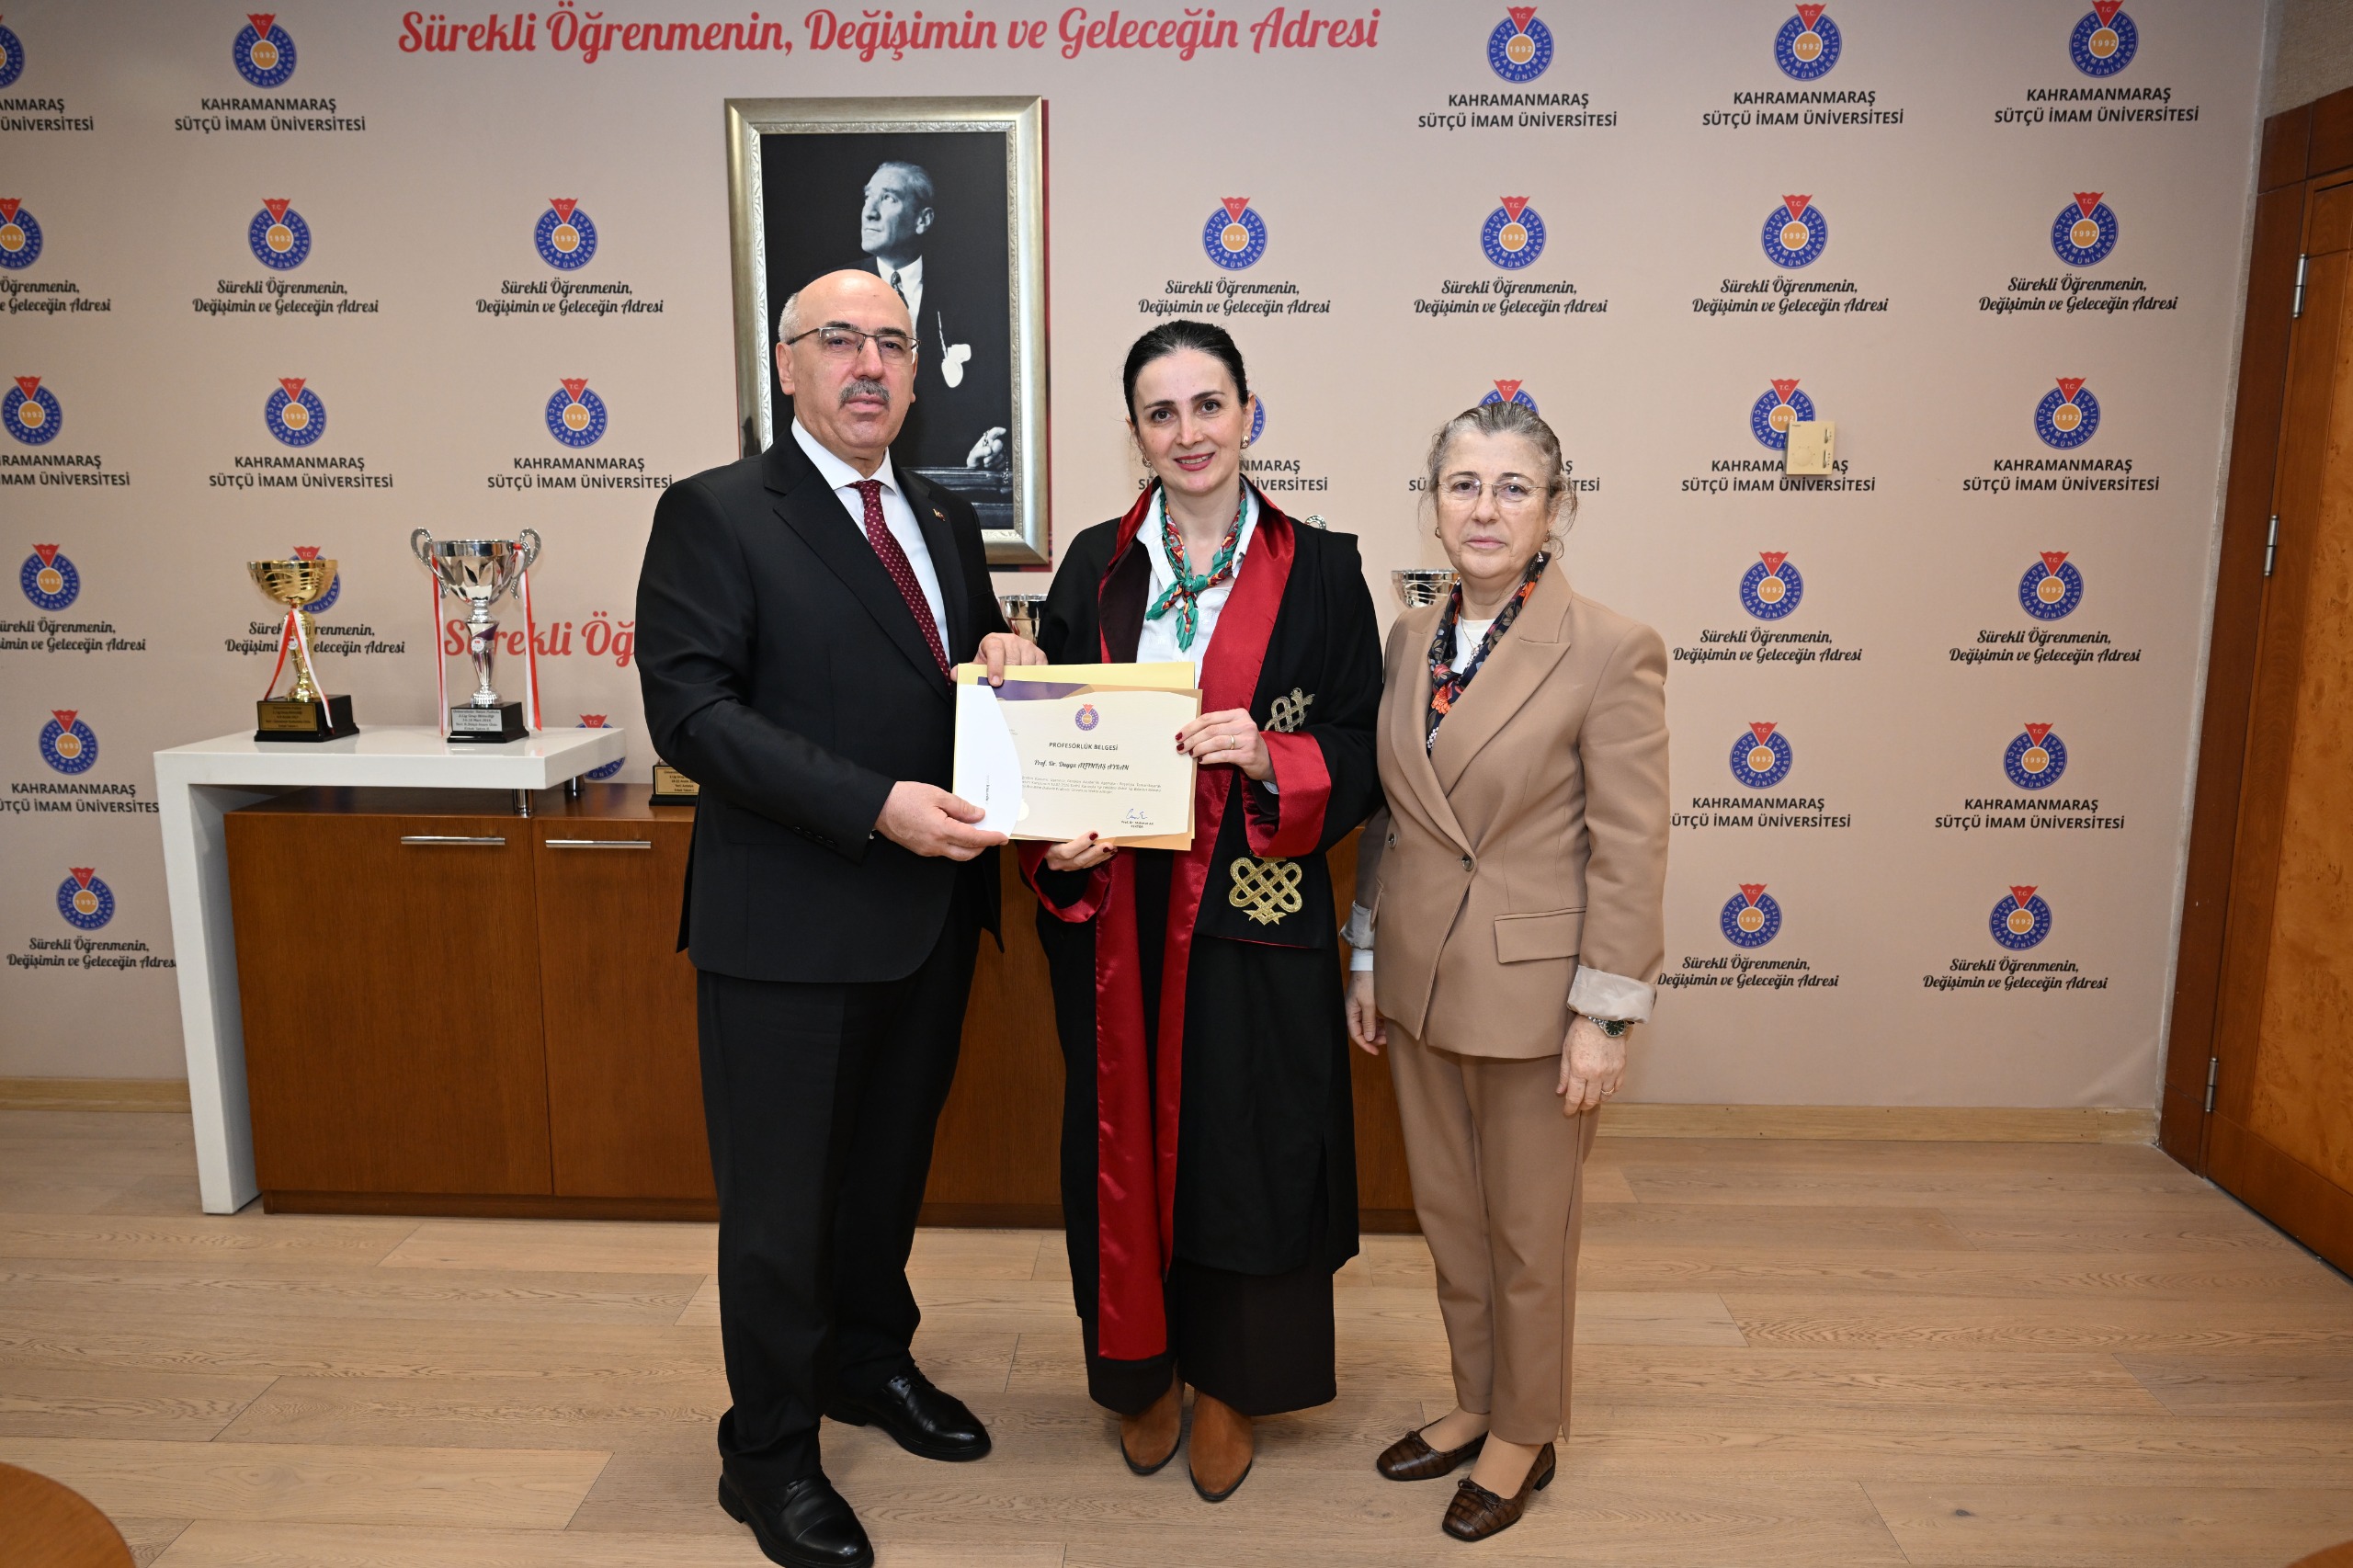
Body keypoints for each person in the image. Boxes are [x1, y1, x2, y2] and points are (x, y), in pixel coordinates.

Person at [636, 267, 1045, 1568]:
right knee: (780, 1214)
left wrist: (1005, 657)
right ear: (787, 363)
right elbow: (693, 714)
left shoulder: (944, 513)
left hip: (929, 919)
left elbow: (951, 677)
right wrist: (873, 805)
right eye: (839, 340)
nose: (869, 363)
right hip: (788, 932)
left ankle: (868, 1362)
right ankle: (766, 1452)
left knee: (883, 1181)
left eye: (892, 343)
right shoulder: (714, 512)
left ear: (917, 373)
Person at [1021, 320, 1383, 1504]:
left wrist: (1274, 756)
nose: (1189, 432)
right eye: (1161, 412)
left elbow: (1361, 747)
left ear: (1247, 413)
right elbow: (1048, 738)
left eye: (1208, 404)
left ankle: (1230, 1380)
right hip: (1119, 912)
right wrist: (1055, 839)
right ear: (1135, 432)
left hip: (1249, 911)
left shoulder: (1321, 568)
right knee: (1119, 1138)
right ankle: (1142, 1365)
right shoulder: (1094, 564)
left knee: (1246, 1143)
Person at [1345, 400, 1668, 1543]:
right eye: (1463, 484)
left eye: (1512, 487)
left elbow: (1630, 846)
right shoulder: (1408, 637)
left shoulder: (1611, 647)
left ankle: (1525, 1430)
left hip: (1536, 995)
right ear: (1433, 504)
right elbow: (1391, 815)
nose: (1485, 508)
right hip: (1420, 980)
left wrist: (1604, 1015)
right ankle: (1476, 1397)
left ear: (1554, 507)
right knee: (1449, 1216)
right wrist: (1367, 950)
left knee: (1530, 1233)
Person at [853, 159, 1010, 475]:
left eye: (888, 198)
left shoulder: (974, 298)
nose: (869, 212)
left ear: (923, 220)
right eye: (868, 197)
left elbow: (990, 399)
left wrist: (982, 449)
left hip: (946, 477)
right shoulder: (832, 291)